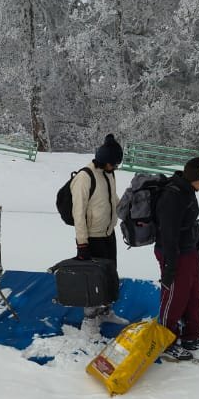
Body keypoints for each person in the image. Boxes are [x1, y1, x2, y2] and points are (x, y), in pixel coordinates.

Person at [154, 156, 199, 360]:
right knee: (175, 296)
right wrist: (170, 264)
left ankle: (190, 336)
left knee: (193, 293)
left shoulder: (188, 190)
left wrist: (197, 239)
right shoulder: (173, 195)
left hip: (188, 250)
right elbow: (168, 233)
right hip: (173, 253)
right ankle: (166, 340)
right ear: (194, 177)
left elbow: (186, 222)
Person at [71, 133, 123, 321]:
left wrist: (126, 210)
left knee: (109, 275)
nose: (115, 167)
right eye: (113, 164)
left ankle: (106, 312)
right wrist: (82, 243)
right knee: (93, 280)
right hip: (92, 237)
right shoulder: (84, 177)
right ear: (103, 160)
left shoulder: (108, 173)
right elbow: (78, 213)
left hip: (108, 233)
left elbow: (112, 198)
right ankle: (90, 320)